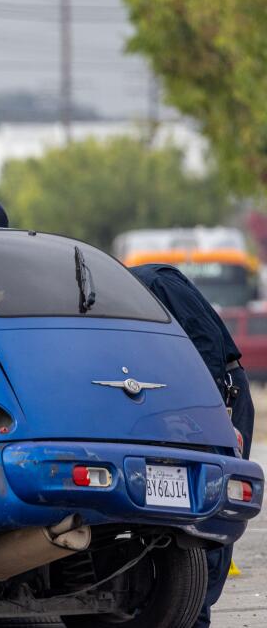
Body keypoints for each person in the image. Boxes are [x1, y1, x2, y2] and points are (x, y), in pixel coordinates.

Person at [130, 263, 253, 628]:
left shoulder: (155, 283)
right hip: (180, 400)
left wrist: (211, 415)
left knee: (212, 504)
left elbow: (207, 344)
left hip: (219, 395)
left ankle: (197, 612)